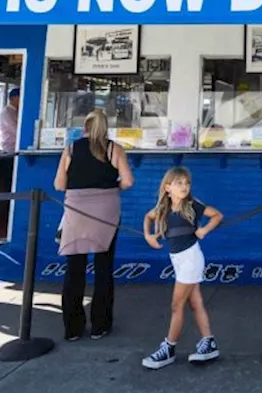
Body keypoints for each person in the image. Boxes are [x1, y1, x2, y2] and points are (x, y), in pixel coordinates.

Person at [54, 109, 134, 341]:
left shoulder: (70, 149)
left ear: (85, 128)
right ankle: (100, 325)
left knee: (74, 267)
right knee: (103, 267)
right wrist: (113, 186)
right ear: (106, 127)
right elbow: (128, 181)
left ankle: (72, 328)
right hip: (106, 210)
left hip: (76, 210)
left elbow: (59, 184)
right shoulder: (114, 149)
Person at [141, 167, 224, 369]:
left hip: (190, 258)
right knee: (196, 303)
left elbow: (217, 215)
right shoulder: (163, 208)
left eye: (187, 183)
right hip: (177, 260)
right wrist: (149, 235)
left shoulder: (192, 205)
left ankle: (168, 348)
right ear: (168, 187)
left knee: (177, 306)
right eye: (179, 183)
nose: (184, 187)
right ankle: (209, 342)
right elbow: (148, 217)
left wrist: (204, 229)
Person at [0, 87, 19, 153]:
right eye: (19, 97)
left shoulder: (17, 111)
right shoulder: (6, 112)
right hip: (9, 148)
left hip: (15, 146)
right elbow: (14, 129)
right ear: (14, 98)